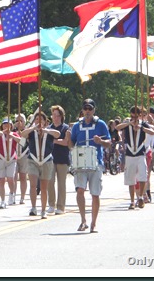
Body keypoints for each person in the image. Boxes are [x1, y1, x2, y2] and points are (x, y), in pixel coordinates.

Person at [67, 99, 111, 233]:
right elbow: (72, 145)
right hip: (81, 163)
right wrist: (68, 139)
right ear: (82, 110)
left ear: (94, 110)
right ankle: (83, 220)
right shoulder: (76, 126)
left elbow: (109, 142)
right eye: (85, 109)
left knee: (95, 194)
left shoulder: (101, 124)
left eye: (90, 109)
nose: (87, 111)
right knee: (80, 190)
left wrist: (101, 141)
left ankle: (94, 223)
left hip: (95, 162)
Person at [21, 111, 60, 219]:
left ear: (45, 121)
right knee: (33, 185)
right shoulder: (31, 132)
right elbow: (22, 134)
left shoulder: (49, 131)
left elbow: (58, 134)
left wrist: (46, 130)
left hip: (46, 161)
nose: (39, 121)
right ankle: (33, 207)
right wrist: (33, 128)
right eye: (36, 119)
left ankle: (43, 210)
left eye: (41, 119)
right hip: (33, 160)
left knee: (44, 187)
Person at [116, 106, 154, 210]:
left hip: (140, 153)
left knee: (143, 176)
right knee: (130, 178)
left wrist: (141, 128)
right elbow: (117, 127)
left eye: (136, 114)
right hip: (130, 153)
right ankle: (132, 201)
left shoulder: (142, 123)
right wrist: (129, 123)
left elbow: (152, 132)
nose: (134, 116)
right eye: (132, 114)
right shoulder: (127, 122)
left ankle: (141, 197)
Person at [0, 118, 21, 208]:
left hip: (11, 159)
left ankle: (12, 193)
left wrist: (12, 136)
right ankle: (2, 201)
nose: (6, 126)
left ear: (11, 126)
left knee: (10, 178)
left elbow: (20, 141)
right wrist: (3, 132)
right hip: (0, 158)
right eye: (4, 124)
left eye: (8, 124)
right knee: (1, 180)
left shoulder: (14, 134)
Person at [47, 105, 70, 215]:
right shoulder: (48, 128)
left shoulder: (65, 128)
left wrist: (55, 141)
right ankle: (51, 204)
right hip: (50, 158)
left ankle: (61, 206)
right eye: (53, 115)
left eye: (57, 115)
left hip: (62, 158)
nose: (55, 117)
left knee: (61, 183)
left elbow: (66, 142)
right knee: (49, 182)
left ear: (61, 116)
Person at [13, 113, 29, 204]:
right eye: (16, 121)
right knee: (13, 176)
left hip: (24, 154)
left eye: (21, 121)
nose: (19, 123)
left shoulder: (26, 131)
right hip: (14, 154)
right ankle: (13, 195)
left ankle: (22, 197)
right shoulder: (12, 130)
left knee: (23, 177)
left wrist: (21, 135)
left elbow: (23, 143)